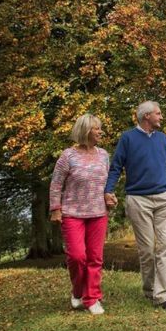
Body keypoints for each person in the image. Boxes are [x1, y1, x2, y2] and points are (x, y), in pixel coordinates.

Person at [104, 101, 166, 311]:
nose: (161, 117)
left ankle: (163, 296)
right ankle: (149, 290)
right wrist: (108, 190)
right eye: (158, 113)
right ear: (146, 116)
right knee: (146, 250)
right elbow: (116, 167)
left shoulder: (163, 138)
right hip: (138, 199)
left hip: (164, 198)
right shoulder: (128, 138)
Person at [49, 114, 113, 315]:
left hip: (98, 213)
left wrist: (110, 197)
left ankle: (92, 298)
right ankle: (77, 291)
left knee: (95, 257)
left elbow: (107, 183)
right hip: (72, 213)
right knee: (77, 257)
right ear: (85, 131)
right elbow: (56, 184)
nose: (100, 132)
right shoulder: (68, 156)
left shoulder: (104, 155)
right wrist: (55, 209)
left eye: (100, 128)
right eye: (96, 129)